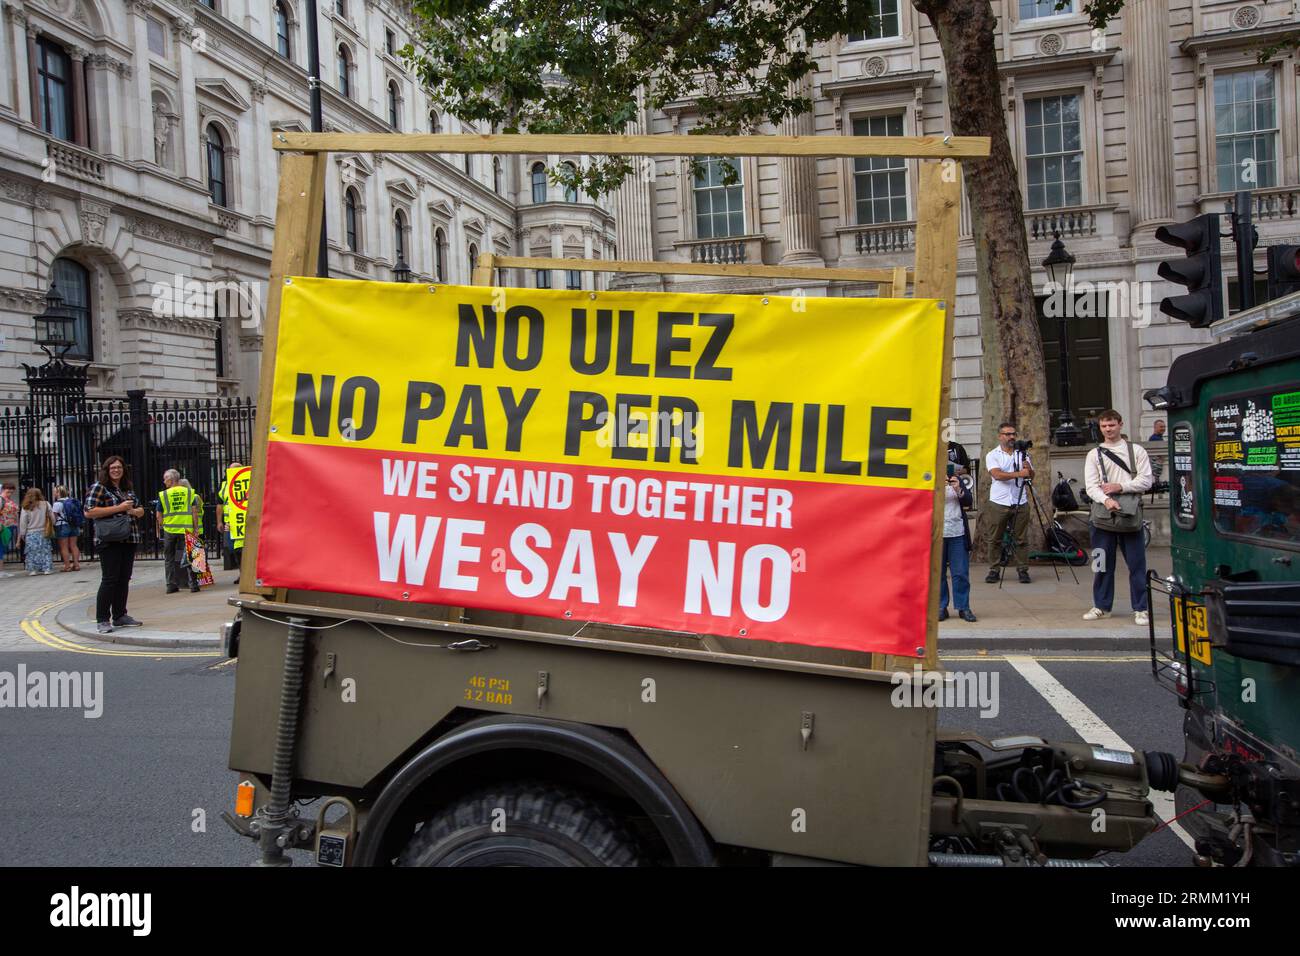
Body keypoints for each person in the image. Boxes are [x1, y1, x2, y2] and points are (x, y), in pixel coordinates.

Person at [1083, 410, 1154, 625]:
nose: (1108, 429)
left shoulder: (1137, 451)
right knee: (1101, 564)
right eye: (1104, 426)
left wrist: (1120, 487)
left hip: (1130, 516)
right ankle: (1101, 606)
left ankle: (1141, 608)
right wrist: (1106, 500)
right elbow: (1091, 486)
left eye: (1111, 425)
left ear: (1120, 424)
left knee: (1137, 564)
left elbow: (1147, 480)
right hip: (1102, 518)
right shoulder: (1093, 454)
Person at [85, 456, 146, 634]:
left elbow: (140, 510)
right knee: (110, 579)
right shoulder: (99, 487)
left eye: (119, 467)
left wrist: (133, 510)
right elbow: (89, 512)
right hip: (109, 540)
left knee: (124, 579)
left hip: (129, 538)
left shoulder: (127, 489)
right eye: (113, 468)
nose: (116, 470)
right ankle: (102, 619)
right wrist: (119, 508)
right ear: (107, 470)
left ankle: (120, 615)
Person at [982, 423, 1034, 584]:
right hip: (999, 501)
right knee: (995, 538)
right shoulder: (993, 455)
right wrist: (1020, 473)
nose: (1011, 437)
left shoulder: (1022, 454)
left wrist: (1029, 471)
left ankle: (1023, 570)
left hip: (1021, 500)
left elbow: (1031, 475)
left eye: (1013, 434)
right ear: (1000, 436)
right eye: (1007, 434)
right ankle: (994, 569)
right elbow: (997, 475)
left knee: (1021, 538)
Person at [939, 468, 977, 622]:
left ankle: (963, 607)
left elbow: (968, 500)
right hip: (937, 534)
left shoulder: (957, 479)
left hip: (957, 533)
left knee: (960, 572)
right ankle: (941, 607)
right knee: (938, 573)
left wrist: (958, 488)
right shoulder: (930, 480)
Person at [156, 469, 201, 593]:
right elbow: (194, 511)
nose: (164, 481)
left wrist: (163, 525)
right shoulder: (189, 492)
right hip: (186, 528)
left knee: (169, 558)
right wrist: (196, 527)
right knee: (191, 556)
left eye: (165, 479)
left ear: (171, 480)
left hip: (170, 529)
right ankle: (193, 584)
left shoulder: (163, 494)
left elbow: (159, 514)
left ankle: (171, 585)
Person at [17, 487, 54, 575]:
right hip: (43, 531)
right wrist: (53, 524)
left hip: (31, 532)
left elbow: (23, 521)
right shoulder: (46, 504)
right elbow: (52, 517)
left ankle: (33, 570)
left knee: (32, 551)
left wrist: (22, 533)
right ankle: (47, 568)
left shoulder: (25, 506)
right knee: (45, 550)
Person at [51, 485, 84, 571]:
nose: (54, 493)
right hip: (74, 525)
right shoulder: (72, 501)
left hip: (62, 526)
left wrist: (52, 525)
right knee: (74, 545)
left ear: (58, 493)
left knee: (64, 547)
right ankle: (76, 565)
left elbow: (54, 517)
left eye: (55, 491)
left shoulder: (57, 504)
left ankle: (67, 566)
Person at [0, 482, 18, 564]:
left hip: (10, 526)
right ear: (3, 489)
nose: (10, 493)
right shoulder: (1, 499)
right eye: (8, 491)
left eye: (11, 491)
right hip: (3, 526)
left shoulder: (7, 500)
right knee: (1, 548)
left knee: (3, 548)